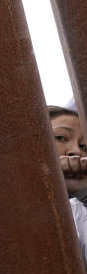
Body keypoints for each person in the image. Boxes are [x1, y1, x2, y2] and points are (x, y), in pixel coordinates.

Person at [47, 105, 87, 264]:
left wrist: (85, 193)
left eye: (84, 147)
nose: (76, 151)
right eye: (61, 137)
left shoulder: (79, 209)